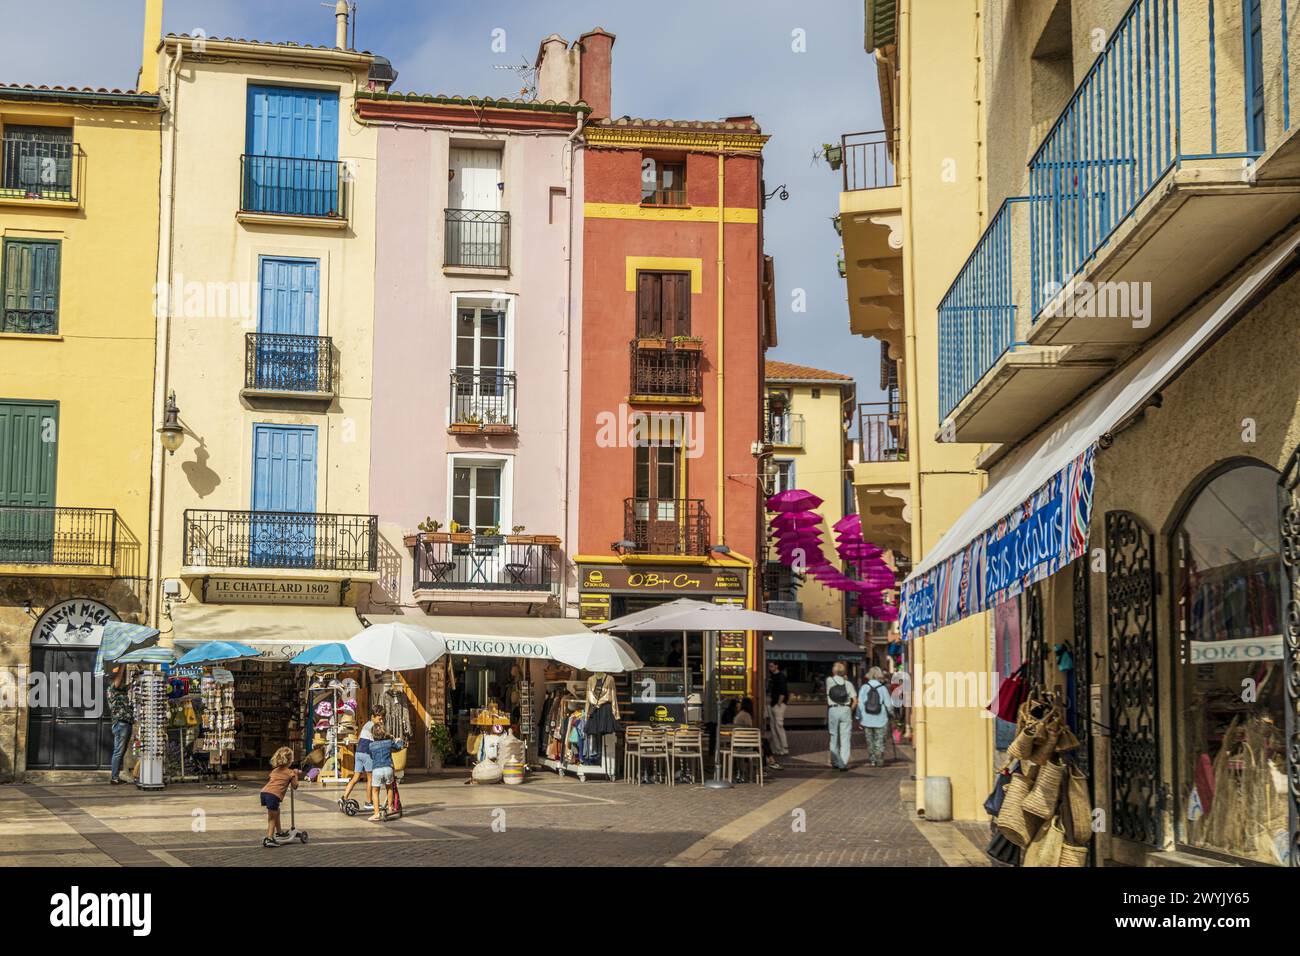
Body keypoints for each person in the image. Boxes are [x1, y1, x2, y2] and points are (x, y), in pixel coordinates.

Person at [340, 704, 383, 812]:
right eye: (380, 718)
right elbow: (378, 739)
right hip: (366, 754)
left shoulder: (366, 725)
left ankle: (343, 797)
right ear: (373, 716)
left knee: (355, 778)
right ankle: (369, 802)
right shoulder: (374, 726)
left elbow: (359, 738)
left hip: (359, 753)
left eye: (382, 718)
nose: (381, 720)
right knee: (370, 778)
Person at [260, 746, 300, 848]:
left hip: (265, 792)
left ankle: (279, 832)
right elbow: (295, 786)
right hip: (273, 795)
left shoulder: (274, 771)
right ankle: (269, 838)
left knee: (276, 811)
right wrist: (295, 775)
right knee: (272, 818)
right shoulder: (290, 773)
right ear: (289, 761)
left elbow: (274, 780)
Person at [856, 666, 894, 767]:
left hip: (866, 719)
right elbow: (888, 704)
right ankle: (879, 756)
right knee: (880, 739)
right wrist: (891, 714)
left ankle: (872, 760)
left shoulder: (864, 688)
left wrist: (858, 717)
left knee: (870, 740)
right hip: (880, 718)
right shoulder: (883, 688)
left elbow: (859, 704)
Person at [367, 723, 406, 821]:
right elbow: (398, 747)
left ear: (373, 734)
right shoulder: (388, 742)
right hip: (388, 768)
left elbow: (371, 756)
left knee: (375, 791)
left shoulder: (371, 745)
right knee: (389, 787)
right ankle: (390, 807)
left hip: (377, 770)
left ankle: (376, 814)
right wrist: (399, 740)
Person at [825, 661, 856, 771]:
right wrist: (849, 710)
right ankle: (843, 764)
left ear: (834, 671)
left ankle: (835, 761)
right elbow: (855, 701)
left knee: (834, 736)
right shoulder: (848, 684)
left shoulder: (829, 681)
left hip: (833, 710)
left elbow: (833, 677)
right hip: (846, 709)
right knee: (845, 738)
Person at [107, 666, 133, 785]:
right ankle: (114, 778)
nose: (122, 681)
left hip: (125, 723)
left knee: (121, 751)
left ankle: (115, 776)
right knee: (118, 751)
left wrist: (136, 679)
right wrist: (123, 664)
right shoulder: (112, 689)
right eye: (120, 679)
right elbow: (118, 681)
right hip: (121, 724)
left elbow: (129, 686)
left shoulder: (121, 691)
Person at [766, 660, 789, 758]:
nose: (770, 668)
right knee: (773, 726)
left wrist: (779, 702)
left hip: (778, 704)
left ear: (776, 666)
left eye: (771, 666)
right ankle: (777, 748)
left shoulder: (781, 676)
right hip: (773, 703)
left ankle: (784, 748)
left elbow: (783, 691)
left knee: (778, 726)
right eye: (769, 666)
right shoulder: (772, 677)